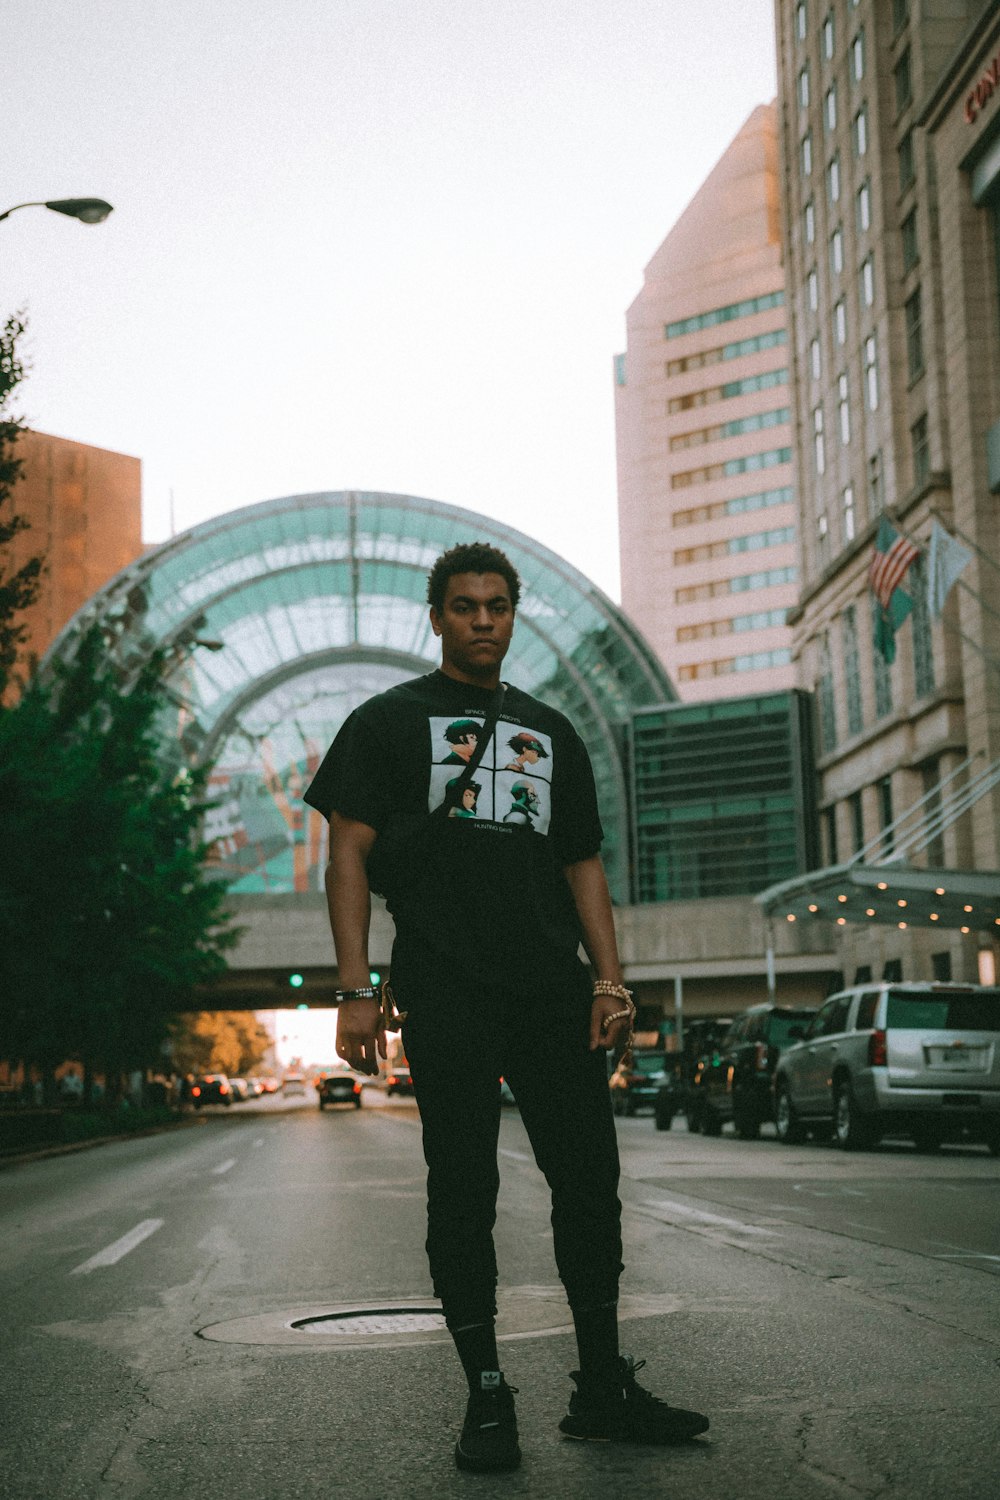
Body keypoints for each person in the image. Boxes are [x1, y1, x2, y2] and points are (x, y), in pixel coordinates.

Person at [304, 541, 709, 1474]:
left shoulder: (552, 731)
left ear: (512, 615)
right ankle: (487, 1394)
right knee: (463, 1188)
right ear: (436, 615)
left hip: (548, 988)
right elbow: (349, 856)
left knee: (587, 1184)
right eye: (465, 605)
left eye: (497, 605)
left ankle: (602, 1386)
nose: (483, 619)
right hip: (445, 985)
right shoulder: (386, 722)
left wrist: (610, 980)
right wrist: (356, 989)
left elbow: (582, 864)